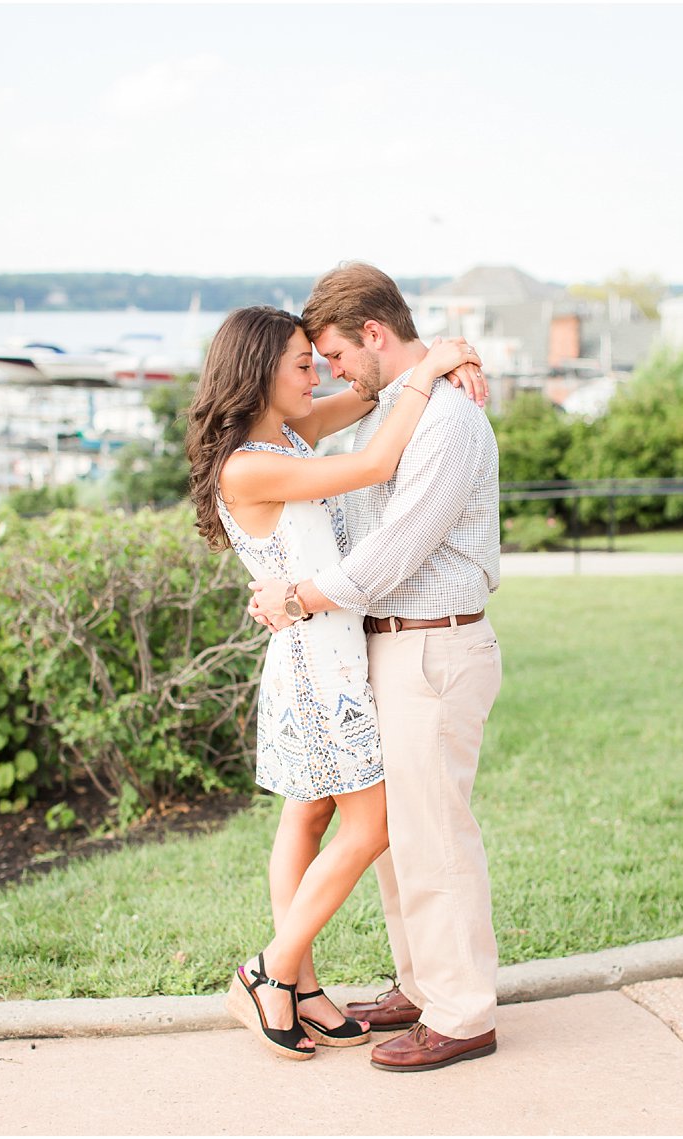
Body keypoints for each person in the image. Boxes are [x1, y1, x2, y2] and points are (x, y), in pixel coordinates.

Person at [186, 305, 482, 1062]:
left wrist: (443, 357)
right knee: (372, 825)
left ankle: (302, 990)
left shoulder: (287, 433)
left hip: (323, 650)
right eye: (299, 361)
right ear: (258, 372)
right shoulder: (251, 463)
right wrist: (433, 364)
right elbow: (378, 461)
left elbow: (378, 390)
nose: (316, 371)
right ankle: (271, 969)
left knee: (308, 816)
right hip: (321, 667)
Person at [247, 261, 503, 1073]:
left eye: (333, 354)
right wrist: (435, 360)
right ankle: (424, 982)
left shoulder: (447, 418)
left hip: (433, 640)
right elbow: (358, 507)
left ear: (373, 334)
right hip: (389, 645)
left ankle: (462, 1012)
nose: (330, 372)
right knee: (399, 838)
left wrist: (302, 593)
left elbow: (393, 550)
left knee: (434, 834)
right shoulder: (398, 407)